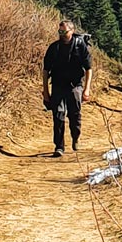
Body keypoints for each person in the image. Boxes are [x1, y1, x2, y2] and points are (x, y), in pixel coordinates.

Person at [43, 19, 92, 157]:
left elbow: (89, 69)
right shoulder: (54, 48)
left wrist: (86, 89)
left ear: (72, 31)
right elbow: (46, 70)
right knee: (58, 116)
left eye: (64, 31)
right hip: (58, 86)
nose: (62, 34)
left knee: (75, 115)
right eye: (60, 31)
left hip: (75, 86)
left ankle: (75, 137)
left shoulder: (80, 46)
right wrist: (45, 92)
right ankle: (59, 146)